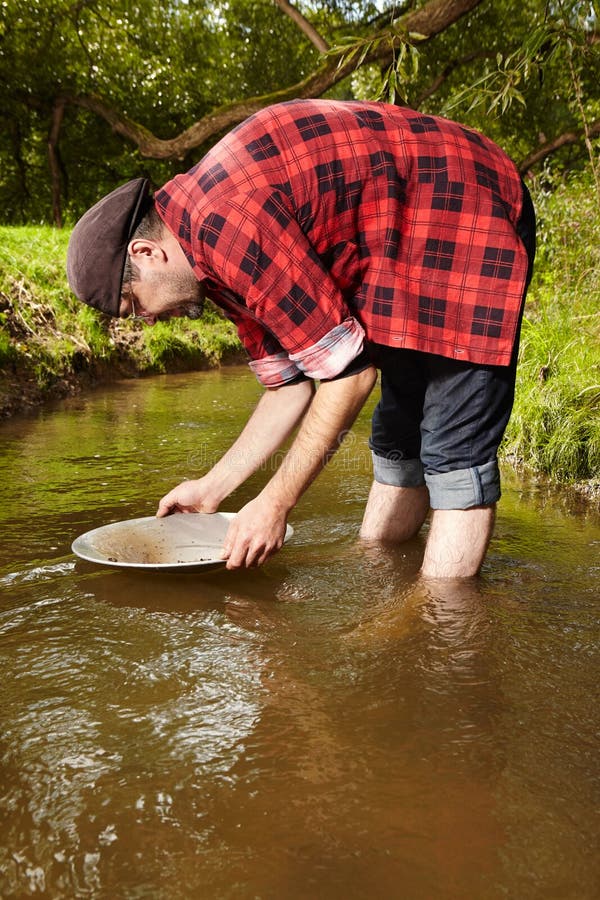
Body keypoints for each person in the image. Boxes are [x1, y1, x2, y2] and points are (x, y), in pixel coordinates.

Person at [67, 99, 536, 577]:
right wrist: (213, 486)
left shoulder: (227, 225)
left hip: (466, 205)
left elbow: (350, 380)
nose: (146, 320)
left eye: (134, 304)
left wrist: (275, 503)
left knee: (453, 445)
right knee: (398, 434)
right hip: (393, 249)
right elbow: (288, 388)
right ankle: (381, 580)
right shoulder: (205, 255)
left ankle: (442, 626)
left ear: (146, 252)